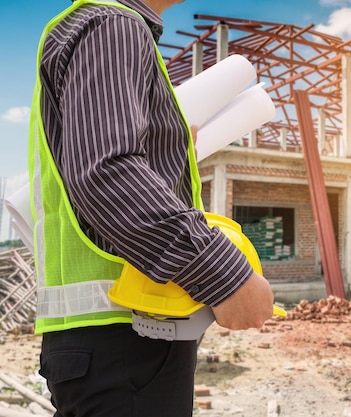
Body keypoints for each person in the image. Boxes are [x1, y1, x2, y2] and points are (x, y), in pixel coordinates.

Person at [29, 0, 274, 416]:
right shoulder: (112, 25)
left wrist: (170, 148)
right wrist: (225, 278)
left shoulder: (99, 26)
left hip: (110, 343)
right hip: (126, 341)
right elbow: (108, 173)